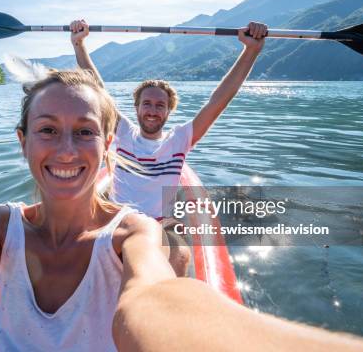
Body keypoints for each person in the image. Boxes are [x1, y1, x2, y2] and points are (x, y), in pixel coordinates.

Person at [0, 70, 363, 352]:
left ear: (108, 147)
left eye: (84, 132)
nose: (65, 149)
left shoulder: (131, 232)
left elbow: (156, 307)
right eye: (47, 131)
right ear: (23, 142)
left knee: (175, 249)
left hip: (150, 224)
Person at [69, 19, 268, 276]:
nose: (152, 110)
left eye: (159, 105)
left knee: (179, 255)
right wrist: (79, 44)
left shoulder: (180, 140)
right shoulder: (123, 132)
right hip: (120, 220)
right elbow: (96, 88)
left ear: (168, 111)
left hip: (163, 225)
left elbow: (219, 99)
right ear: (137, 108)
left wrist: (250, 51)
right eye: (147, 104)